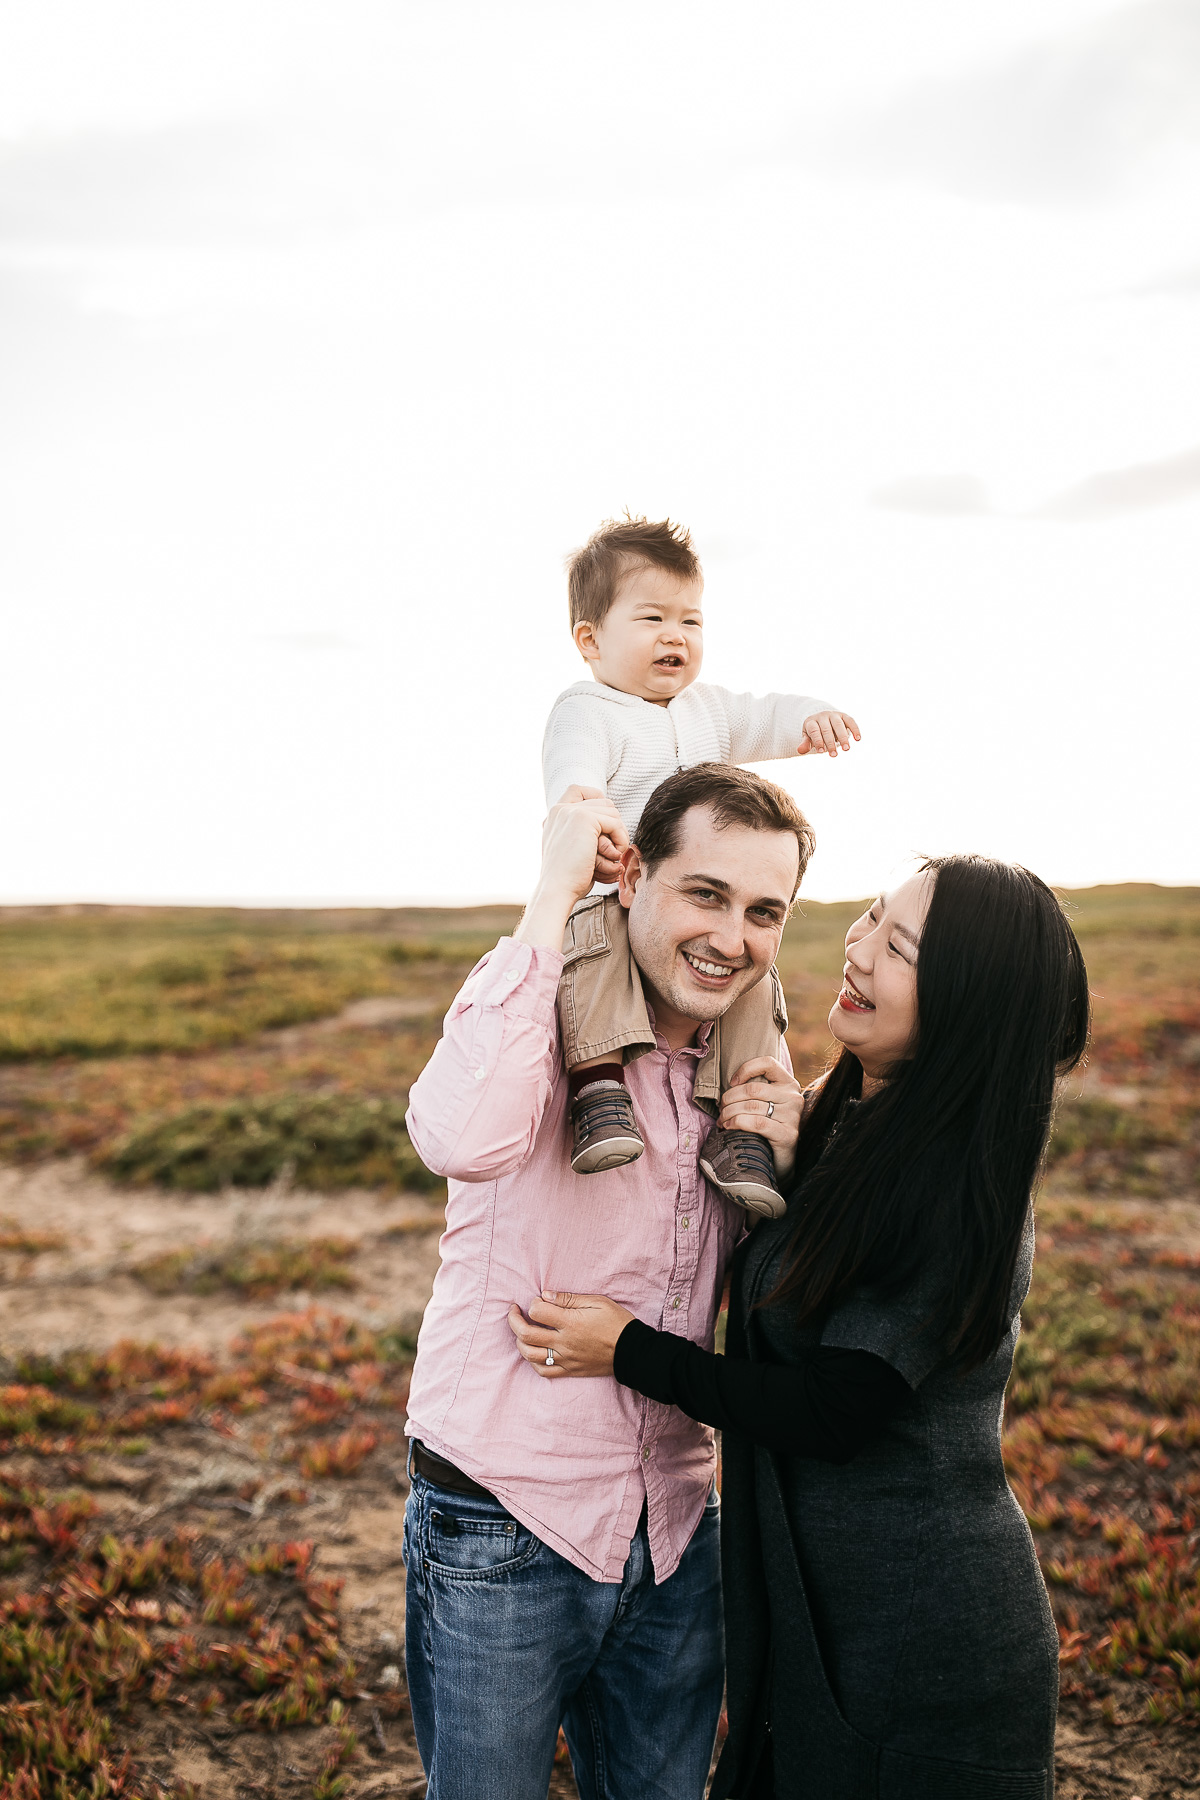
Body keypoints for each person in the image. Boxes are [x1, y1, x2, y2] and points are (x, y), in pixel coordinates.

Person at [510, 855, 1090, 1800]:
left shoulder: (953, 1186)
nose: (857, 950)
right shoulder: (865, 1123)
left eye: (898, 947)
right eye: (869, 917)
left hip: (918, 1644)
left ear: (967, 1009)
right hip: (829, 1611)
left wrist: (628, 1350)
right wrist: (800, 1150)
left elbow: (834, 1409)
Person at [402, 764, 817, 1800]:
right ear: (632, 880)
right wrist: (551, 893)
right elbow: (458, 1137)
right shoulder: (538, 1008)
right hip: (505, 1516)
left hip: (676, 1523)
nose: (733, 936)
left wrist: (802, 1151)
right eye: (706, 894)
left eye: (764, 910)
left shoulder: (748, 1063)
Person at [544, 513, 859, 1217]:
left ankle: (740, 1127)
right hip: (621, 891)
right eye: (652, 617)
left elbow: (765, 715)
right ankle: (598, 1091)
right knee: (592, 956)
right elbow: (574, 774)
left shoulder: (706, 710)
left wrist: (809, 718)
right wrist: (588, 813)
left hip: (700, 899)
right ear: (590, 639)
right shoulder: (588, 709)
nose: (675, 636)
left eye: (691, 620)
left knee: (750, 980)